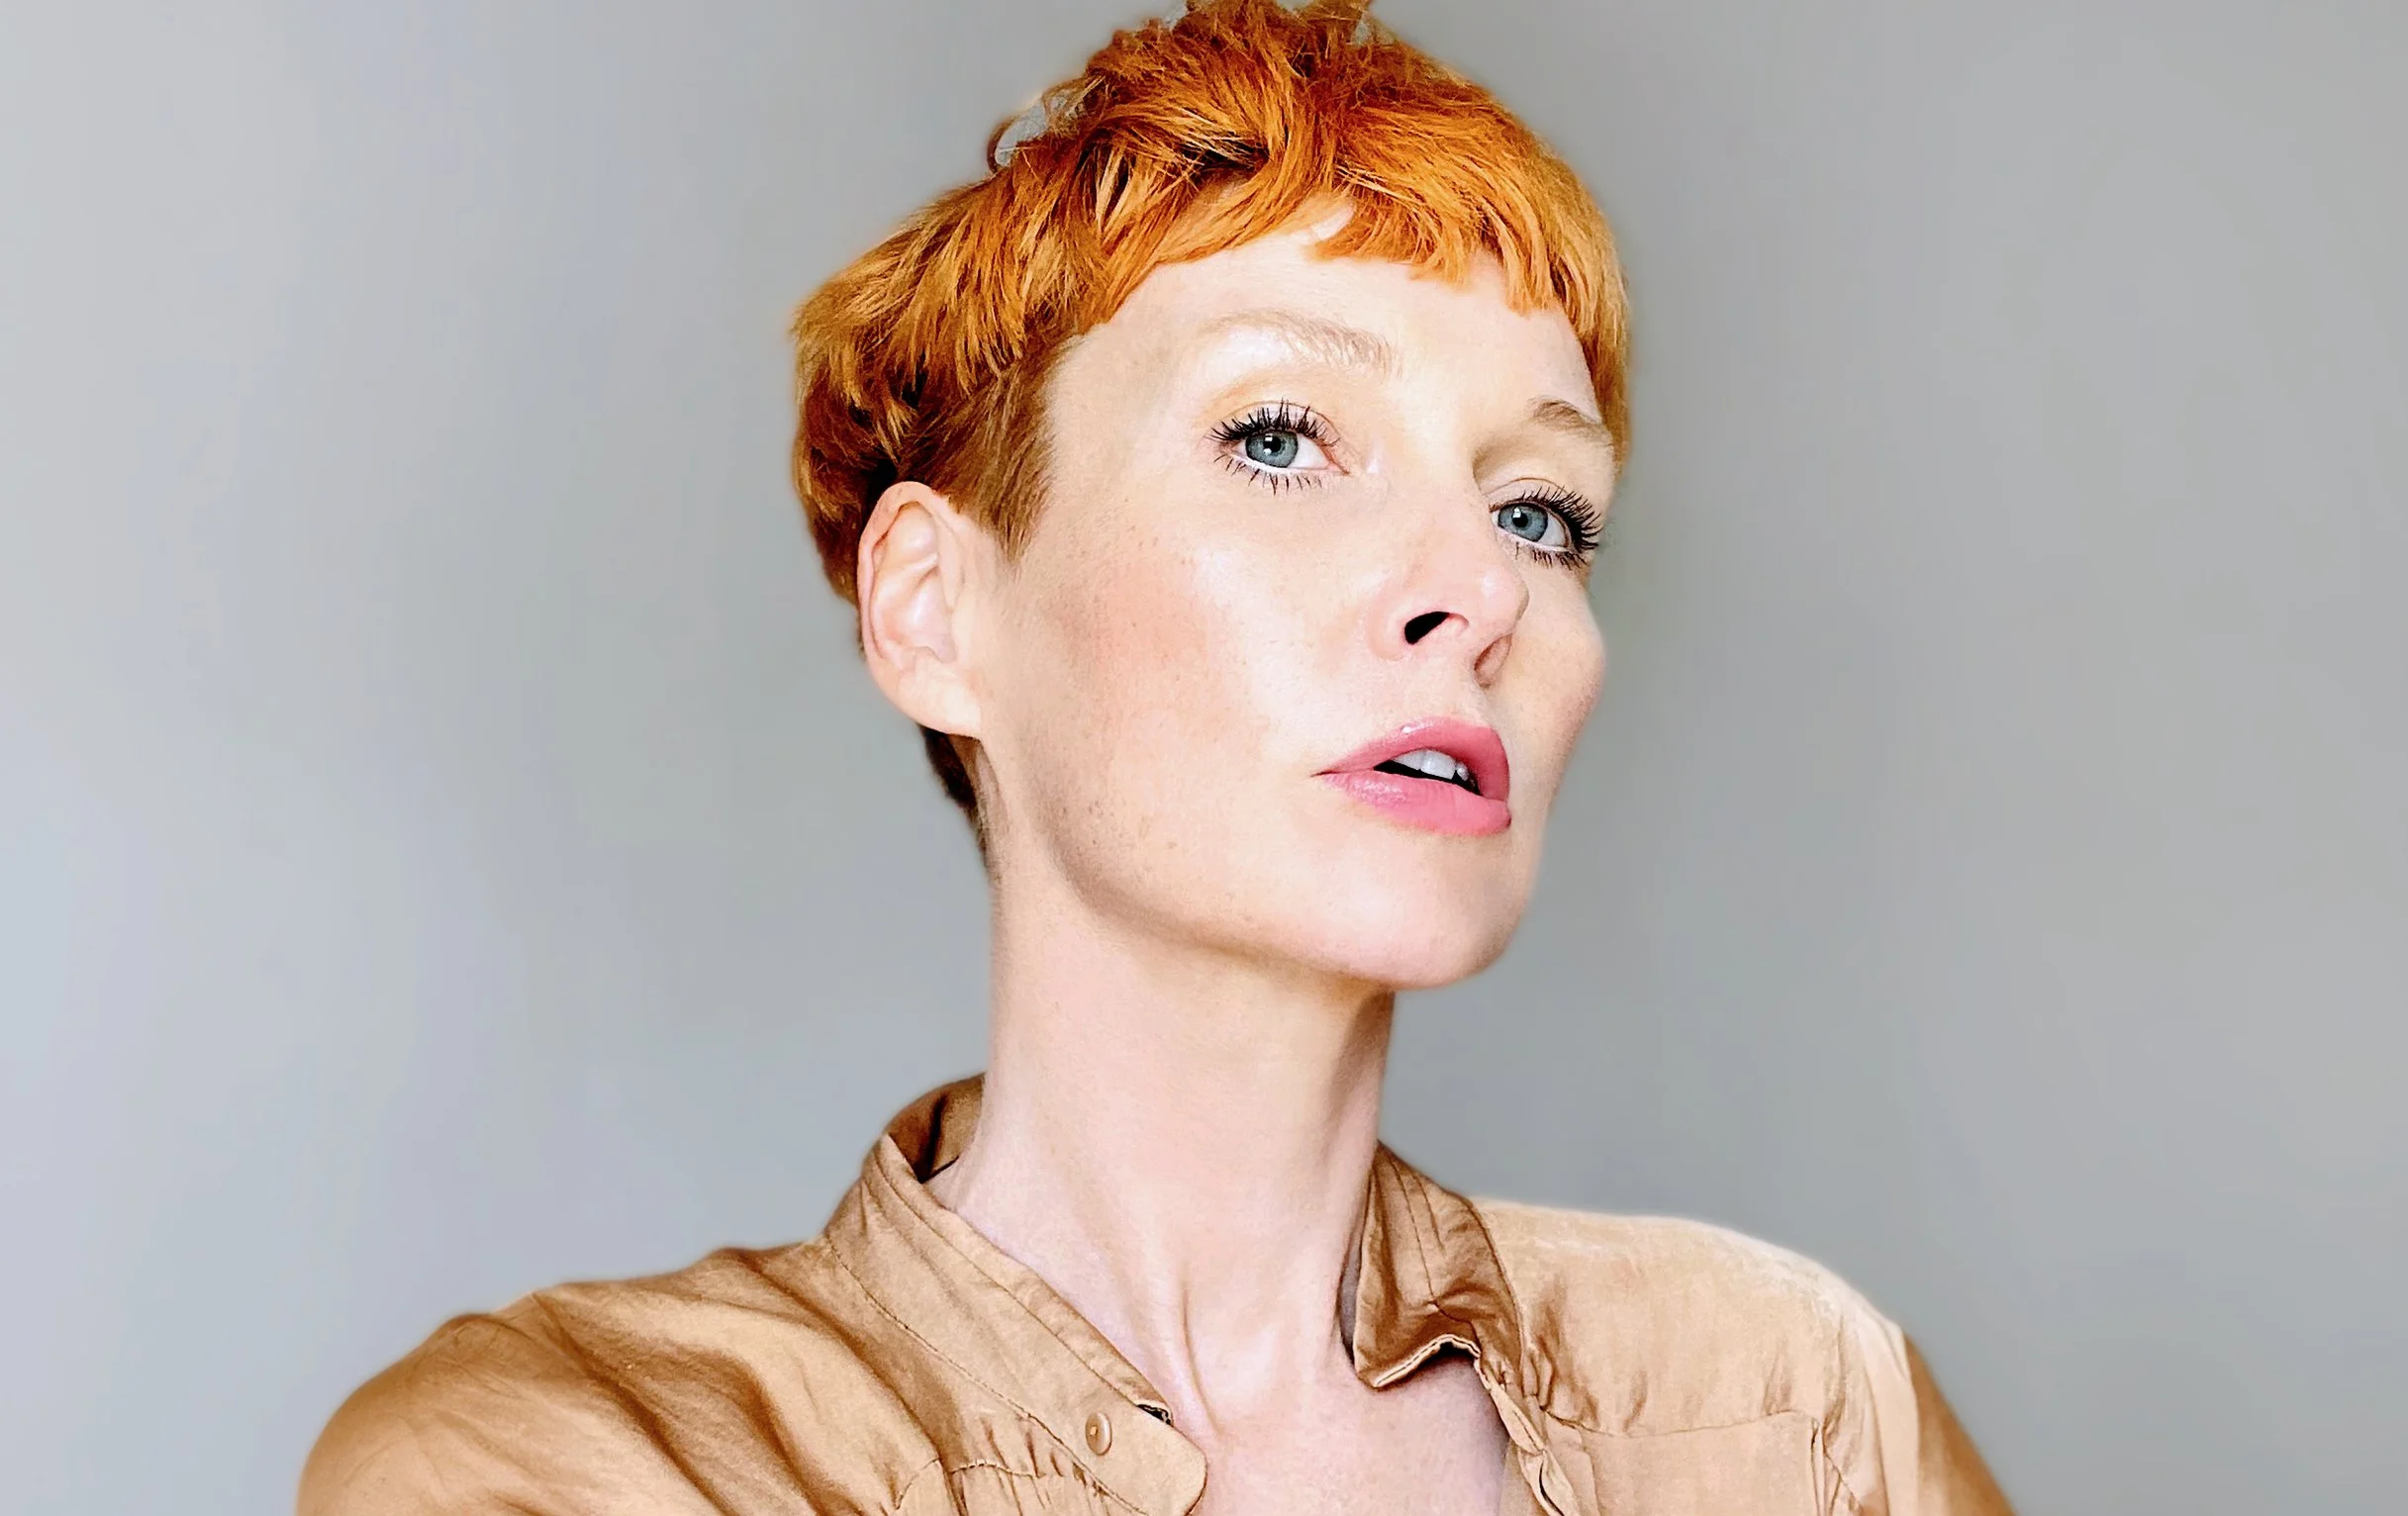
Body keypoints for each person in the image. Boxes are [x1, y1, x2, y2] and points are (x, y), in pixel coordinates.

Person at [300, 2, 2012, 1512]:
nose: (1483, 589)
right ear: (935, 608)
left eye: (1540, 512)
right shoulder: (589, 1458)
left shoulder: (1792, 1411)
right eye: (1280, 438)